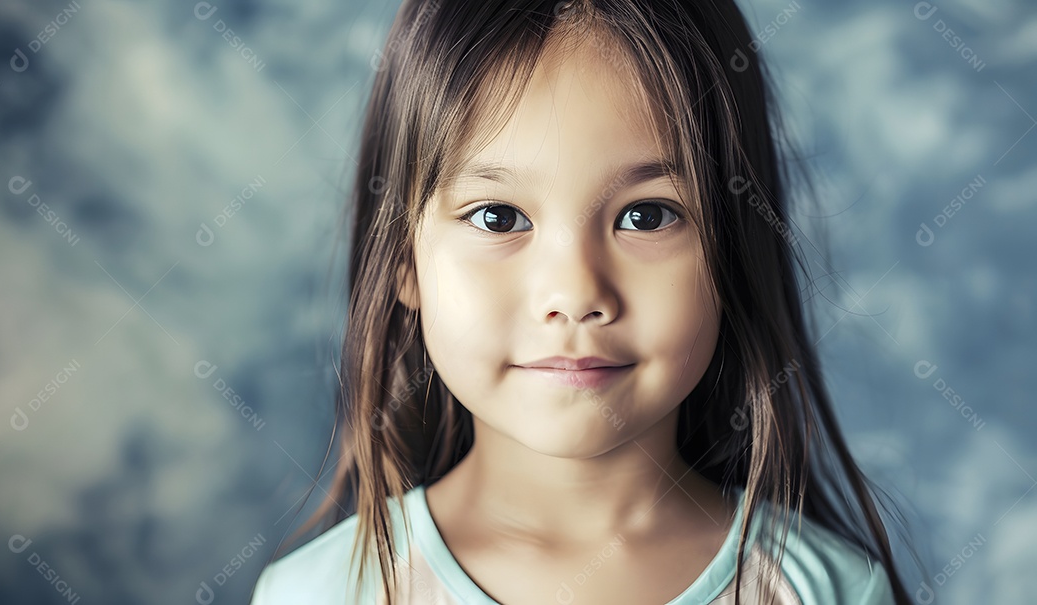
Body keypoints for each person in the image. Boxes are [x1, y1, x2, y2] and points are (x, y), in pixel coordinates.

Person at [251, 1, 915, 603]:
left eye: (648, 215)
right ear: (403, 258)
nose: (575, 294)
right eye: (499, 217)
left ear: (734, 248)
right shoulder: (320, 592)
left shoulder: (830, 591)